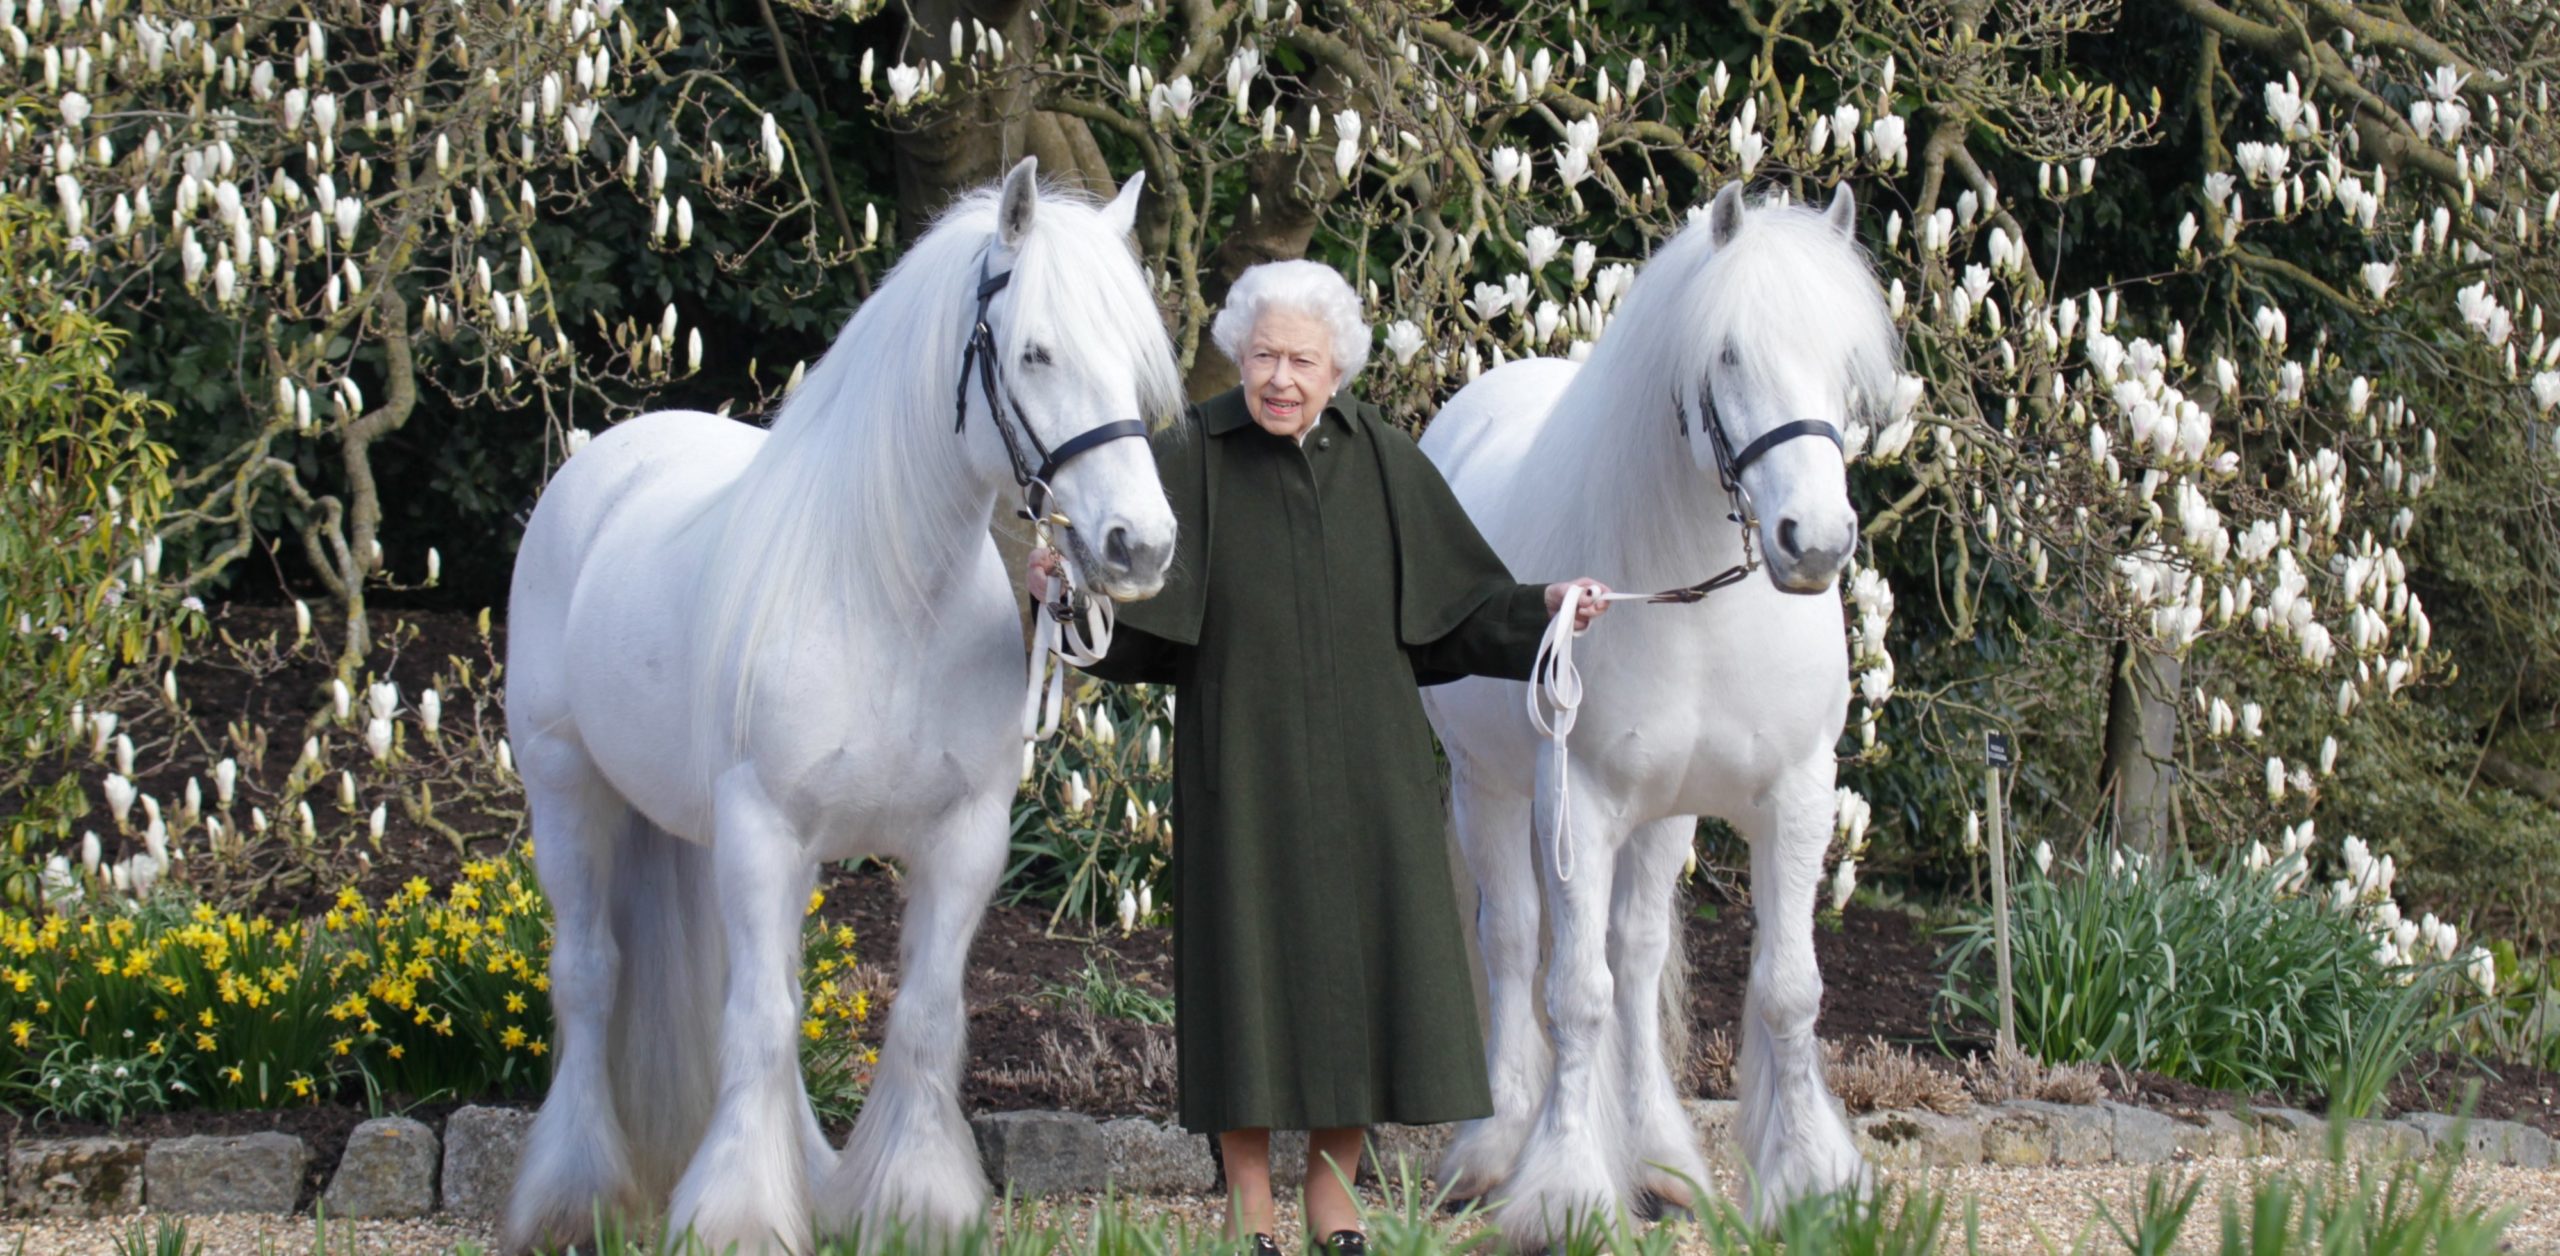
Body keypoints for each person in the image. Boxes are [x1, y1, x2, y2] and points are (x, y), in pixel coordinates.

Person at [1028, 260, 1608, 1256]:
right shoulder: (1193, 455)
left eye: (1301, 358)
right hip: (1238, 764)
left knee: (1360, 980)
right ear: (1236, 359)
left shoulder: (1382, 458)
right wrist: (1065, 596)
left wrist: (1547, 607)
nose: (1280, 378)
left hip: (1368, 768)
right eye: (1262, 356)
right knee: (1241, 979)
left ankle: (1333, 1197)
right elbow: (1138, 626)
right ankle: (1249, 1204)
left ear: (1337, 366)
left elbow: (1458, 611)